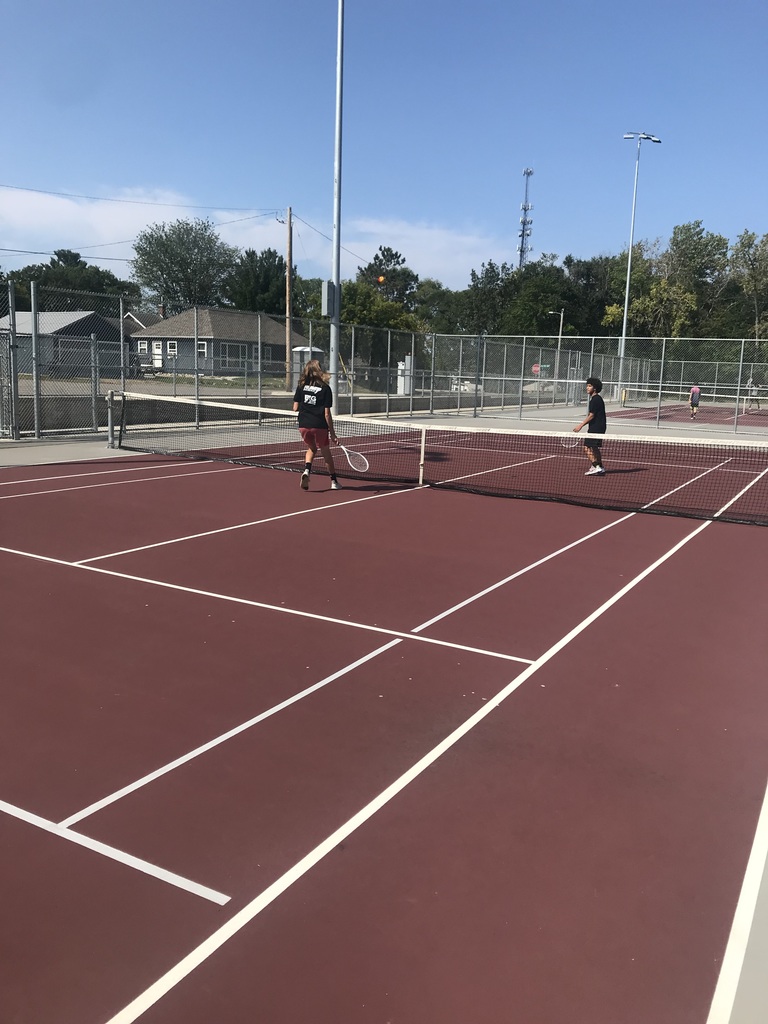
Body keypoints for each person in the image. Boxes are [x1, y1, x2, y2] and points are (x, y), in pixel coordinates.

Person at [293, 359, 342, 490]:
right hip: (319, 425)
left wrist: (307, 404)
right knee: (326, 453)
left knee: (312, 449)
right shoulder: (325, 389)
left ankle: (307, 471)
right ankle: (334, 482)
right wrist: (332, 433)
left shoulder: (301, 386)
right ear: (320, 370)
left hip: (303, 425)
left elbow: (295, 408)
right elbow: (327, 414)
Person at [573, 377, 606, 475]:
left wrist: (580, 425)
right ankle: (600, 467)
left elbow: (591, 416)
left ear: (594, 388)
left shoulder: (595, 400)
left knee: (586, 447)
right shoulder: (597, 399)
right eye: (587, 386)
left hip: (596, 427)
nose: (587, 388)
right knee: (595, 448)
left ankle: (596, 466)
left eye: (589, 386)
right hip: (600, 427)